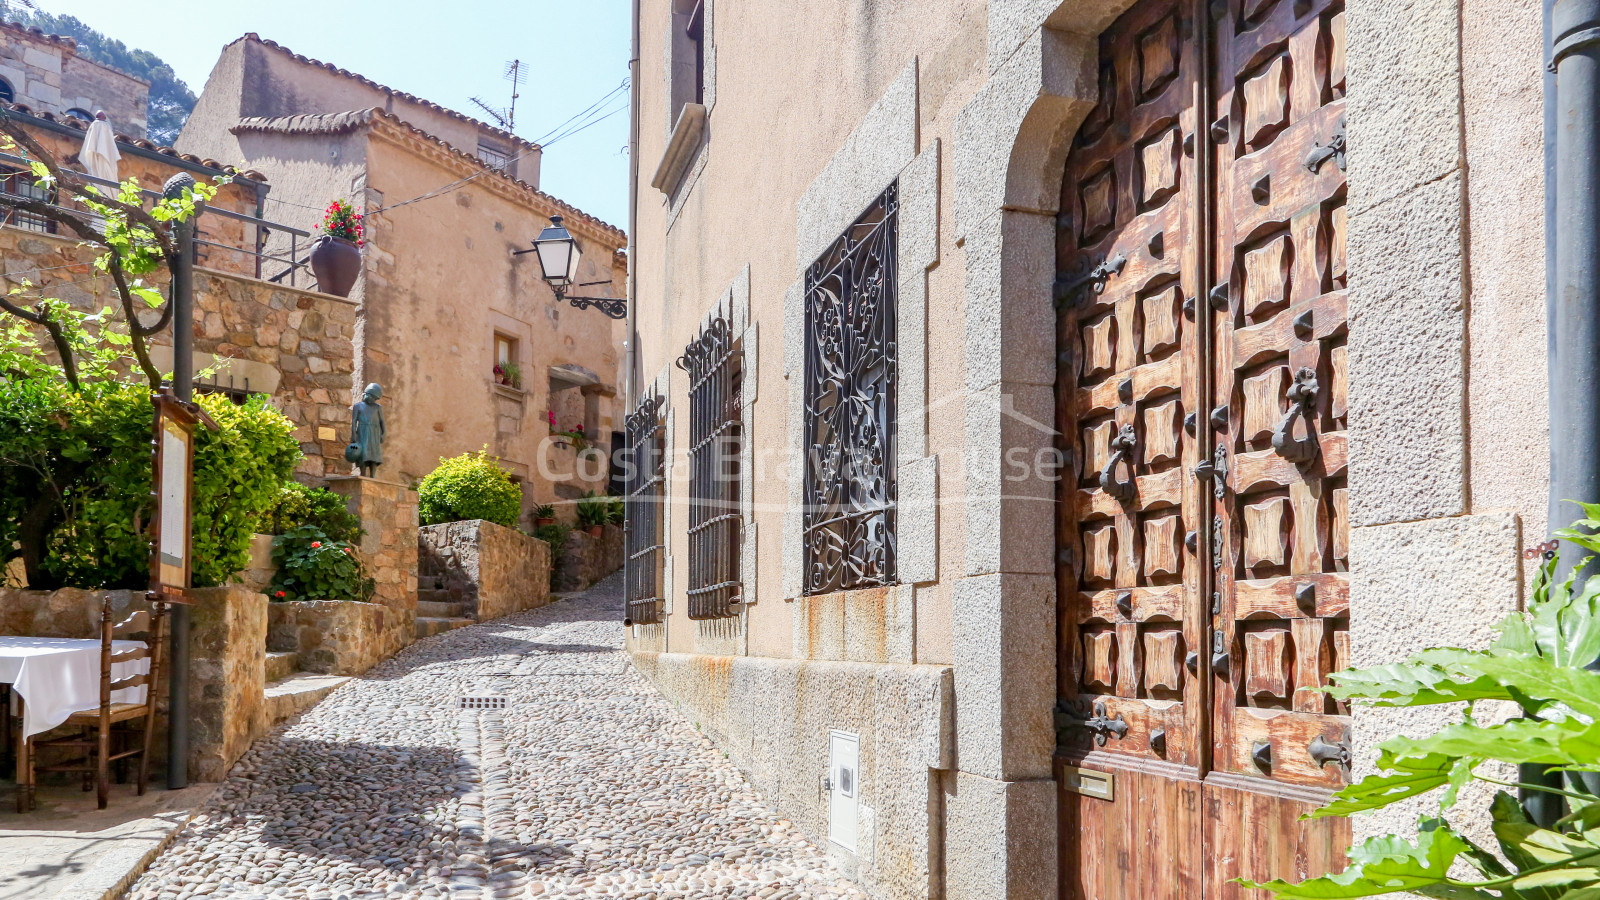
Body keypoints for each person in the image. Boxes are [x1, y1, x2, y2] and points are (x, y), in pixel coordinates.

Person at [348, 383, 386, 478]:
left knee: (374, 455)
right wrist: (353, 435)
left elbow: (382, 422)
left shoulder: (378, 408)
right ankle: (363, 473)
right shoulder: (358, 406)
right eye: (371, 397)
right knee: (363, 453)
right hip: (362, 432)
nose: (372, 399)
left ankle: (373, 474)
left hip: (374, 433)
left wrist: (383, 434)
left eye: (374, 398)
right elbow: (354, 422)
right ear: (366, 393)